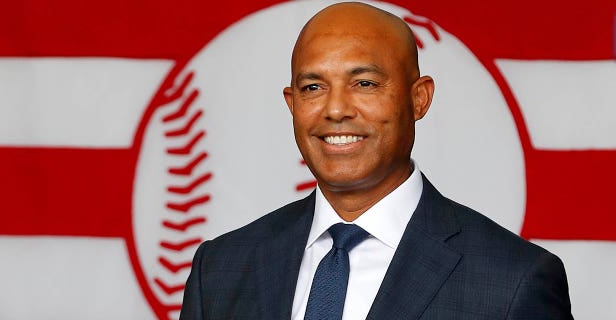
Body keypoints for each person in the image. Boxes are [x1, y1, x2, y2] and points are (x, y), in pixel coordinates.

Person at [179, 2, 573, 319]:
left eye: (364, 84)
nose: (335, 110)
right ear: (292, 104)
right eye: (313, 87)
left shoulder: (514, 281)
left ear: (419, 98)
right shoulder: (219, 269)